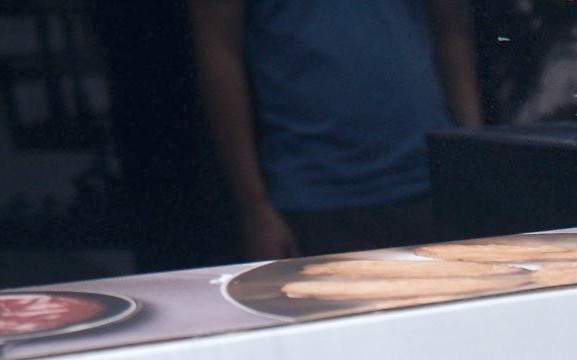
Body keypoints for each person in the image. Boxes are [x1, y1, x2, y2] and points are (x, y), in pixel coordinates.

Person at [189, 0, 484, 258]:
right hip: (314, 194)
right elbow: (218, 51)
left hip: (429, 180)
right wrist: (254, 208)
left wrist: (476, 162)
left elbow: (452, 31)